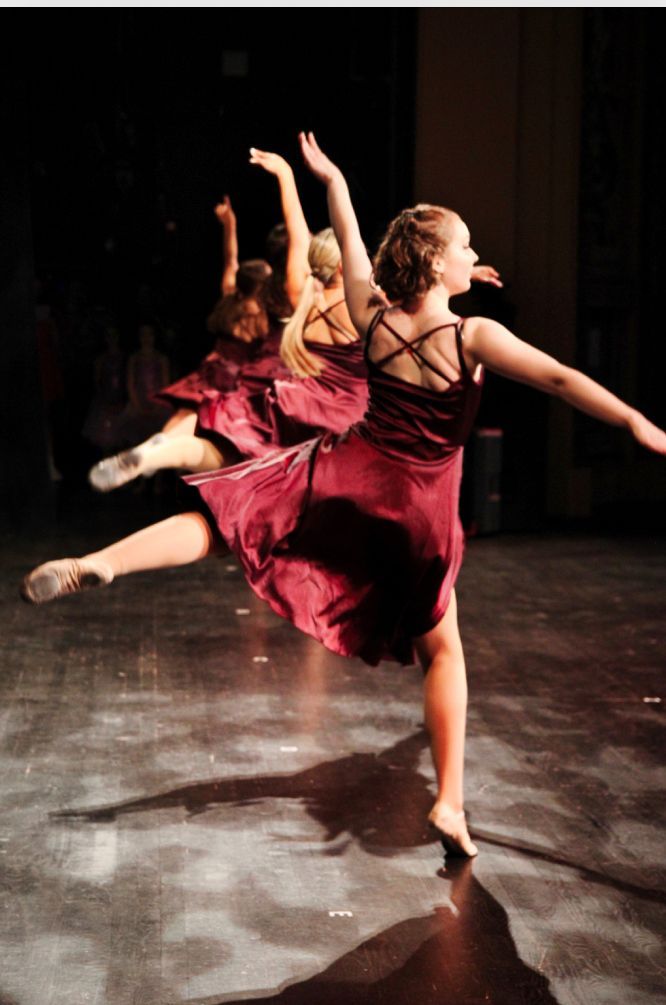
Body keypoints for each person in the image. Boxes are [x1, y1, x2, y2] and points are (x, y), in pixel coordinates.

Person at [22, 134, 665, 859]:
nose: (473, 255)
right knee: (444, 653)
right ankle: (451, 802)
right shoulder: (476, 334)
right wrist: (634, 418)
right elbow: (557, 377)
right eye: (465, 246)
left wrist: (331, 177)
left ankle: (103, 560)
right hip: (420, 511)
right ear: (436, 264)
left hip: (348, 475)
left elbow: (353, 238)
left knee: (226, 513)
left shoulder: (374, 317)